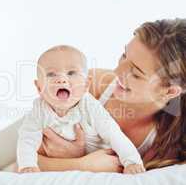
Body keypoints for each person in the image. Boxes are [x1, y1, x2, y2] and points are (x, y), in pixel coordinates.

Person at [0, 19, 185, 173]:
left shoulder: (168, 142)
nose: (118, 71)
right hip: (29, 141)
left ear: (171, 91)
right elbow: (27, 152)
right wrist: (81, 164)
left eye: (136, 73)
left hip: (31, 163)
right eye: (123, 55)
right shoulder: (94, 85)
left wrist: (74, 158)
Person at [17, 45, 144, 174]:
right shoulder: (39, 109)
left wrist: (131, 161)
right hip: (60, 161)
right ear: (39, 87)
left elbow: (114, 134)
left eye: (71, 73)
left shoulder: (91, 107)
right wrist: (27, 165)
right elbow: (27, 138)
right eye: (51, 74)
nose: (61, 80)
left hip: (99, 159)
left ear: (86, 85)